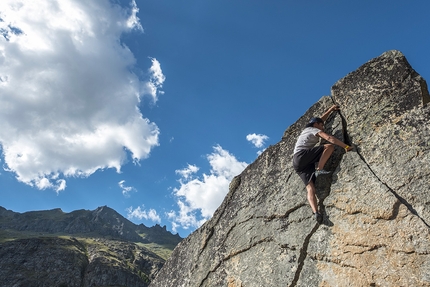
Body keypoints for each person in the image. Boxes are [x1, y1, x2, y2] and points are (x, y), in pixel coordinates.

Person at [292, 105, 353, 223]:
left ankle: (316, 212)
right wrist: (345, 146)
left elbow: (320, 119)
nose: (323, 128)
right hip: (302, 156)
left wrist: (330, 110)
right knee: (329, 147)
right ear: (316, 125)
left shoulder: (308, 129)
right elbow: (329, 138)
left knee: (310, 188)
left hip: (297, 163)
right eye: (322, 126)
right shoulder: (314, 129)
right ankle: (319, 169)